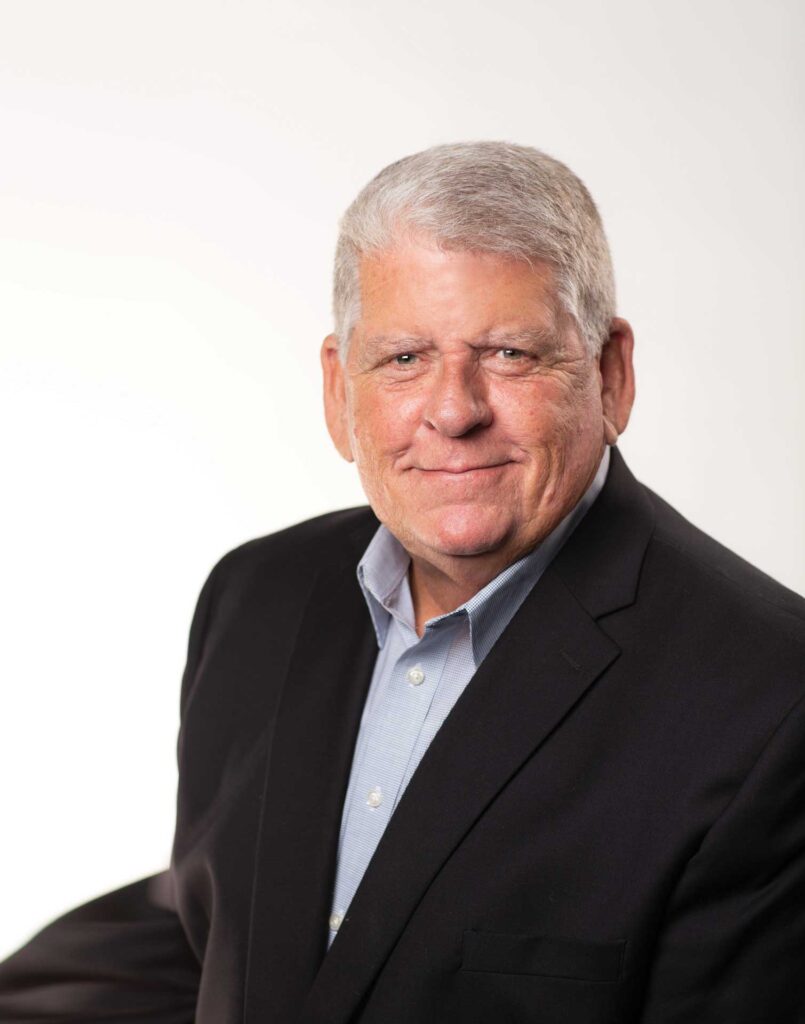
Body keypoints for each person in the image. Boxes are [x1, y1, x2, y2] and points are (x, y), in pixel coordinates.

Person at [1, 141, 803, 1024]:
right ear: (338, 389)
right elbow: (212, 936)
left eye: (509, 353)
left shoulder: (771, 701)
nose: (454, 410)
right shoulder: (257, 597)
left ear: (611, 376)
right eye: (403, 359)